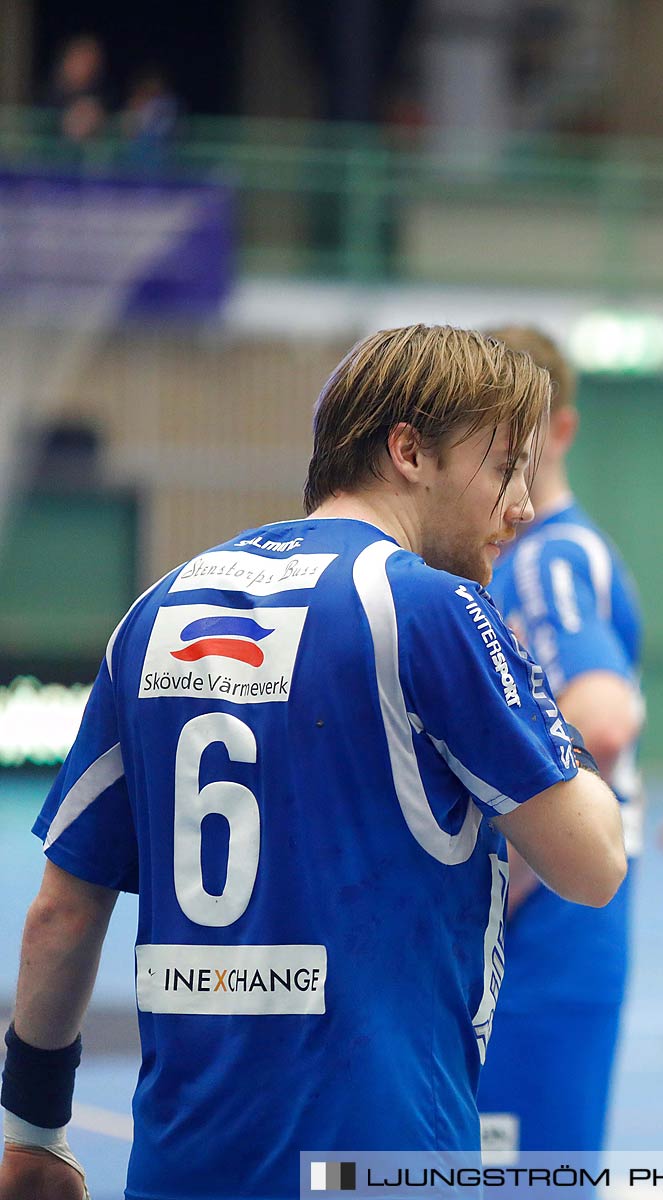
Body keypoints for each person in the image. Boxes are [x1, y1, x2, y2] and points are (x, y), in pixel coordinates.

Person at [0, 325, 627, 1200]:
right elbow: (594, 867)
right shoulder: (432, 610)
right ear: (408, 451)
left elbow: (61, 915)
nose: (521, 505)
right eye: (502, 467)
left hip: (182, 1161)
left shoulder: (156, 608)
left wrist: (33, 1127)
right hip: (377, 1156)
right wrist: (528, 703)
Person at [473, 326, 644, 1166]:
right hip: (540, 924)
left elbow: (604, 721)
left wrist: (522, 877)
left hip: (546, 929)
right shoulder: (504, 557)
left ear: (560, 431)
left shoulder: (549, 559)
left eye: (515, 427)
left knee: (526, 1173)